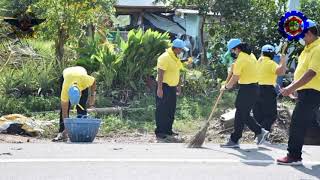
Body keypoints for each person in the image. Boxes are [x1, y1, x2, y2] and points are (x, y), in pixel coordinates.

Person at [277, 19, 320, 165]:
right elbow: (301, 73)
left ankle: (294, 156)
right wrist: (295, 88)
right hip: (306, 91)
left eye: (302, 35)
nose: (301, 38)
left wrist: (291, 88)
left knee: (297, 123)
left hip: (312, 92)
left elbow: (311, 73)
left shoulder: (318, 49)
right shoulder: (306, 50)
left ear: (308, 33)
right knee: (313, 124)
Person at [220, 38, 269, 148]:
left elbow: (235, 78)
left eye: (233, 51)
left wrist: (226, 87)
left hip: (248, 89)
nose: (233, 53)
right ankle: (258, 132)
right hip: (253, 88)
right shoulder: (250, 55)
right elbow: (242, 71)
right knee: (243, 113)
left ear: (237, 48)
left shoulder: (241, 59)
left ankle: (235, 139)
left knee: (240, 113)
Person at [155, 39, 188, 143]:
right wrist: (159, 88)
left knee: (170, 110)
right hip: (164, 86)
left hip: (172, 87)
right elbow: (160, 73)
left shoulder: (175, 57)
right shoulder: (164, 57)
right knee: (162, 110)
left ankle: (168, 131)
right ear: (176, 48)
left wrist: (179, 86)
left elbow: (177, 72)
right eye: (181, 49)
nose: (182, 51)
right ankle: (160, 133)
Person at [53, 66, 96, 142]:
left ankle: (82, 131)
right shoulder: (65, 91)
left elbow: (93, 81)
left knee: (82, 105)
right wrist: (67, 129)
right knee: (64, 107)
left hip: (80, 74)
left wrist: (92, 96)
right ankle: (61, 132)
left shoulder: (84, 81)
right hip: (66, 76)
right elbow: (64, 112)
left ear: (80, 93)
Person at [253, 44, 287, 132]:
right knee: (271, 115)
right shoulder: (271, 63)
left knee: (259, 114)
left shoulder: (258, 61)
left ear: (262, 53)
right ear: (272, 54)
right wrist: (283, 61)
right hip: (267, 90)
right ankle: (262, 134)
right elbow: (281, 72)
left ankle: (259, 134)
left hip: (256, 89)